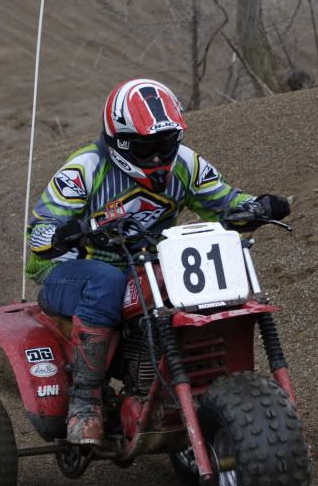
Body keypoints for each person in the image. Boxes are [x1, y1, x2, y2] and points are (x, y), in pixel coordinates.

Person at [25, 78, 290, 447]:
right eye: (144, 147)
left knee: (189, 290)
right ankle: (85, 402)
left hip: (146, 263)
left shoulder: (186, 164)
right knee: (106, 280)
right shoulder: (84, 170)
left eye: (163, 145)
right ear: (119, 142)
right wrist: (64, 234)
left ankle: (192, 389)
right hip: (70, 270)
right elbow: (38, 233)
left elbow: (225, 201)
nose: (155, 158)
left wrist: (256, 207)